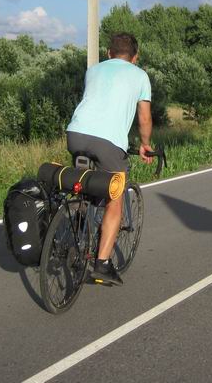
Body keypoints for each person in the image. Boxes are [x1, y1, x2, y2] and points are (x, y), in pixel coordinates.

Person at [66, 32, 153, 286]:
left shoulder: (93, 71)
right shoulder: (140, 76)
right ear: (135, 58)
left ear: (108, 53)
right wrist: (145, 144)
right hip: (108, 143)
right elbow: (144, 119)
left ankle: (77, 221)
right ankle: (102, 263)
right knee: (115, 196)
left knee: (82, 183)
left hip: (75, 134)